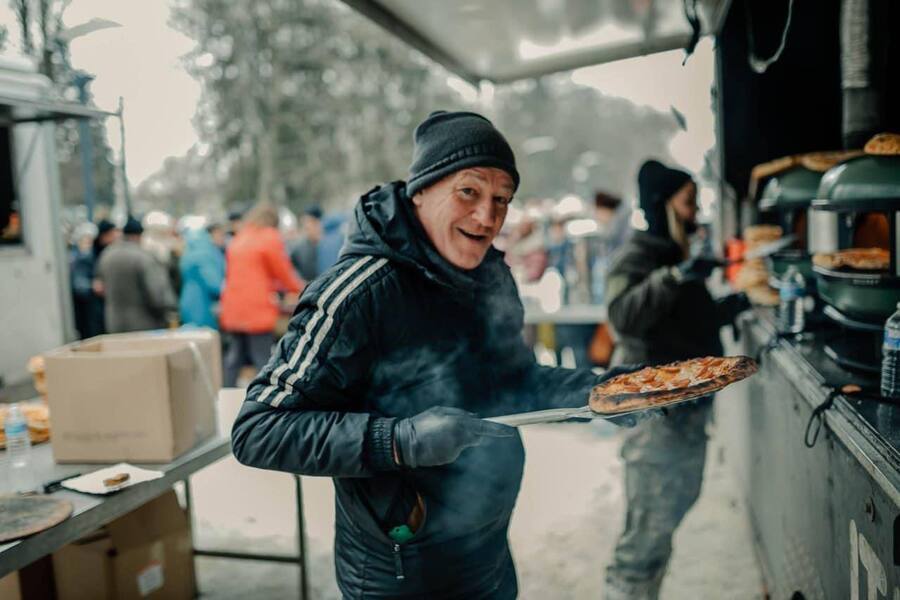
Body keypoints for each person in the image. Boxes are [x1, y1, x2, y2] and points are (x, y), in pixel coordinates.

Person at [230, 111, 640, 599]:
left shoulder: (492, 276)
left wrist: (601, 390)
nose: (488, 216)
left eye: (502, 200)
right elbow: (258, 430)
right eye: (469, 191)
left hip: (487, 549)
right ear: (420, 190)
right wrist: (398, 440)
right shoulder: (359, 293)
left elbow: (515, 381)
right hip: (399, 570)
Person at [603, 159, 749, 599]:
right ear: (662, 205)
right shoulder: (640, 255)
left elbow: (691, 324)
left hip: (686, 416)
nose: (696, 210)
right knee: (645, 537)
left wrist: (737, 302)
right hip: (655, 422)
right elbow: (621, 317)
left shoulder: (677, 253)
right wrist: (673, 277)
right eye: (688, 202)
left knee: (668, 518)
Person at [219, 202, 304, 387]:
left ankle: (225, 397)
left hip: (234, 308)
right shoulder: (269, 237)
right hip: (256, 308)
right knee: (262, 358)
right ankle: (262, 405)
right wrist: (302, 289)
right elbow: (283, 272)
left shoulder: (239, 238)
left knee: (235, 358)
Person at [95, 216, 178, 333]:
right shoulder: (143, 257)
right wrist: (168, 310)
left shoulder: (106, 255)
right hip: (144, 324)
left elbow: (100, 286)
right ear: (139, 235)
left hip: (114, 323)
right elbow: (157, 295)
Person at [178, 224, 226, 329]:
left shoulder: (192, 250)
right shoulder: (206, 253)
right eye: (221, 235)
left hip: (189, 300)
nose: (223, 239)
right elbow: (215, 285)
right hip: (202, 305)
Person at [69, 222, 99, 339]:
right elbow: (78, 285)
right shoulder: (77, 258)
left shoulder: (87, 256)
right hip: (84, 307)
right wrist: (91, 286)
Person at [288, 205, 322, 281]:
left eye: (311, 222)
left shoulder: (329, 247)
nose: (307, 226)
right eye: (305, 223)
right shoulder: (298, 250)